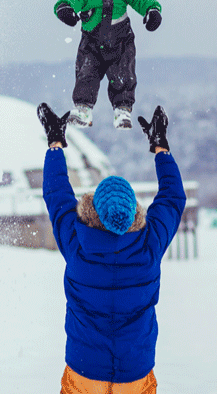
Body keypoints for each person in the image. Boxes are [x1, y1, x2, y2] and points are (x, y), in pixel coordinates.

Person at [37, 103, 186, 394]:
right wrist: (161, 147)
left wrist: (55, 141)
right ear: (134, 211)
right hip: (135, 369)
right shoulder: (149, 245)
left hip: (84, 367)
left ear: (93, 207)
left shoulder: (76, 242)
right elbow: (172, 198)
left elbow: (56, 192)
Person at [54, 0, 162, 129]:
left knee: (123, 74)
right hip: (92, 43)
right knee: (86, 73)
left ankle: (122, 109)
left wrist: (152, 10)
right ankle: (83, 109)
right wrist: (65, 9)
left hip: (121, 42)